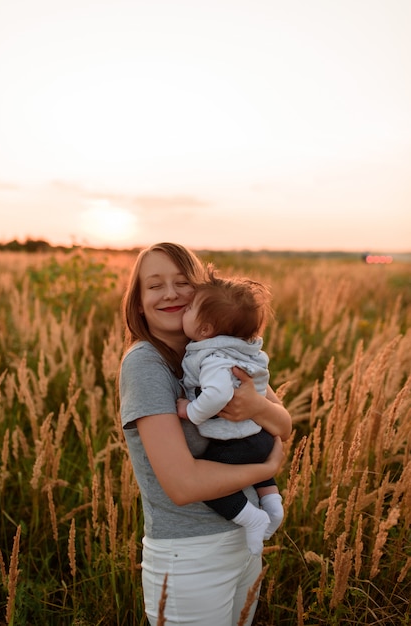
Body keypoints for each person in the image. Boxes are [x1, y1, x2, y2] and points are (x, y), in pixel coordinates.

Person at [119, 242, 292, 626]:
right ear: (139, 301)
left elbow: (284, 424)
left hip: (244, 545)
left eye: (181, 282)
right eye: (154, 285)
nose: (170, 294)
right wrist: (270, 465)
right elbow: (183, 486)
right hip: (190, 556)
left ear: (202, 292)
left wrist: (257, 407)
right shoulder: (146, 364)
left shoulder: (219, 349)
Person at [176, 266, 284, 556]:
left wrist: (192, 411)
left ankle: (254, 518)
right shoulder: (244, 350)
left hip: (235, 443)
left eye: (188, 309)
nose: (182, 311)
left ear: (204, 330)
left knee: (211, 484)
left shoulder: (212, 356)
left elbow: (220, 393)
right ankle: (273, 506)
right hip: (260, 437)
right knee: (258, 471)